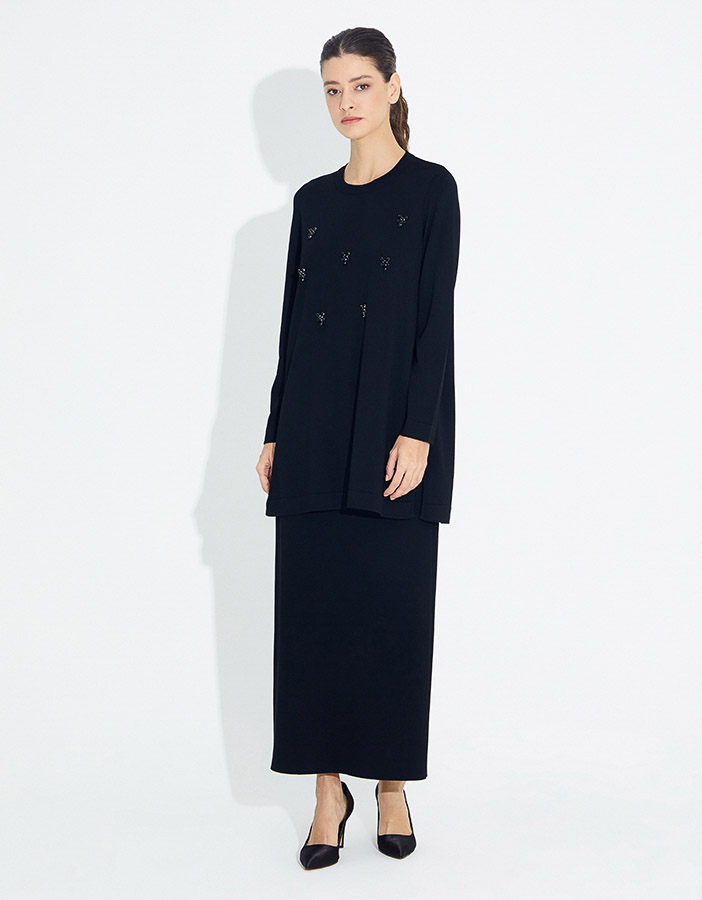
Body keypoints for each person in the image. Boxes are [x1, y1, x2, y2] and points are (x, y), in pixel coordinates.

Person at [255, 26, 461, 870]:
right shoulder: (312, 201)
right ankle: (326, 791)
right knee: (315, 617)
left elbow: (434, 321)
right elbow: (292, 327)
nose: (347, 102)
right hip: (311, 432)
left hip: (392, 436)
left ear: (393, 86)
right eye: (333, 89)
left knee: (392, 615)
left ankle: (391, 785)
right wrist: (274, 427)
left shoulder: (433, 189)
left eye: (361, 85)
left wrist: (420, 429)